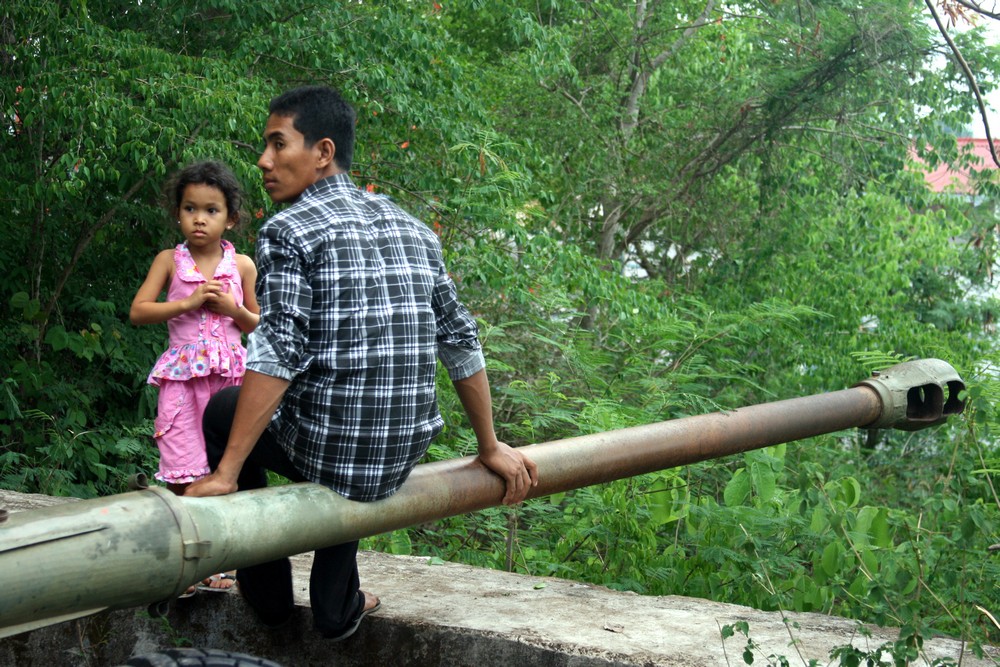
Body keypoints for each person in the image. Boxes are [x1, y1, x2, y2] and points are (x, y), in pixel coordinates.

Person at [185, 85, 539, 640]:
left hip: (333, 447)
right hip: (400, 450)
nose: (264, 161)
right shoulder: (414, 229)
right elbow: (460, 338)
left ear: (322, 153)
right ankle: (335, 605)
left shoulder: (287, 231)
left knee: (223, 412)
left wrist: (227, 473)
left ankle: (271, 599)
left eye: (278, 145)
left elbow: (279, 350)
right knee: (345, 413)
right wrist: (489, 446)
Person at [130, 160, 261, 593]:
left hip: (229, 384)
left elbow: (259, 324)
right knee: (184, 468)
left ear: (231, 218)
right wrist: (185, 305)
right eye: (190, 209)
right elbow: (139, 311)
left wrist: (233, 310)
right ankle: (186, 564)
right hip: (182, 383)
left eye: (211, 210)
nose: (199, 219)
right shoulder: (170, 260)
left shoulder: (241, 265)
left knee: (225, 469)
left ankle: (218, 563)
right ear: (178, 214)